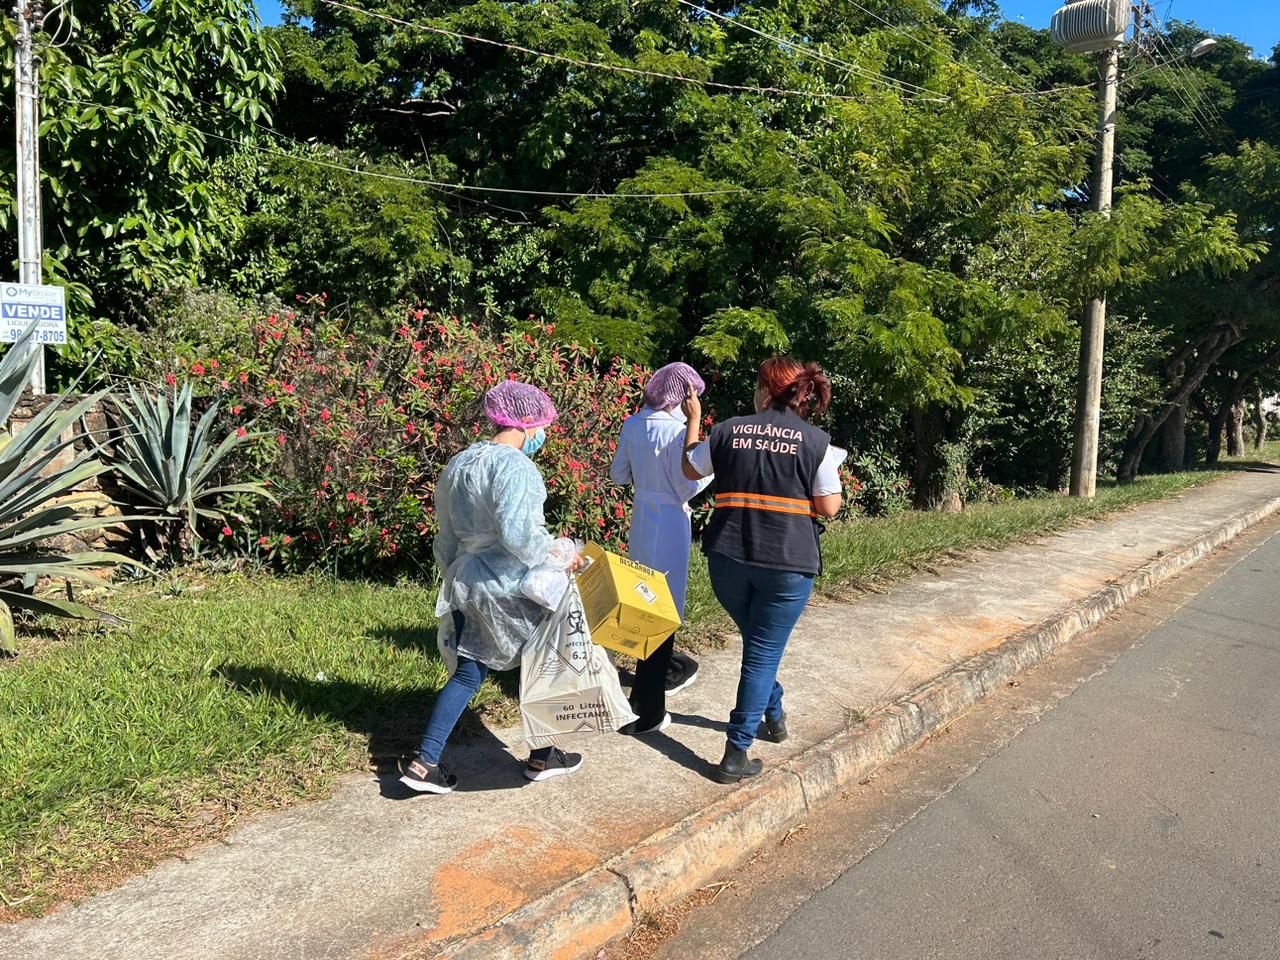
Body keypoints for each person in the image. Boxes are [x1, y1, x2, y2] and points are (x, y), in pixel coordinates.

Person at [400, 380, 584, 794]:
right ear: (526, 423)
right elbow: (521, 536)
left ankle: (424, 761)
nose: (542, 435)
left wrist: (456, 575)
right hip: (508, 585)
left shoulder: (460, 463)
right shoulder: (517, 467)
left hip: (465, 579)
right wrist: (561, 553)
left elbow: (445, 535)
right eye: (541, 427)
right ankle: (542, 755)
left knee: (468, 674)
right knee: (537, 667)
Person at [681, 358, 844, 784]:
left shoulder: (728, 430)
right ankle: (736, 753)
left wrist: (694, 422)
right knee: (761, 654)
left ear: (765, 391)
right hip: (787, 565)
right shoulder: (815, 442)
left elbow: (689, 469)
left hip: (728, 560)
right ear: (800, 394)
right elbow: (829, 506)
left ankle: (774, 713)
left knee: (758, 648)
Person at [609, 362, 714, 734]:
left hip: (642, 517)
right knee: (665, 607)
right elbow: (688, 486)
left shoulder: (633, 424)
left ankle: (657, 679)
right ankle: (650, 702)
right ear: (685, 397)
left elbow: (617, 474)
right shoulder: (678, 434)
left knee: (643, 601)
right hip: (671, 519)